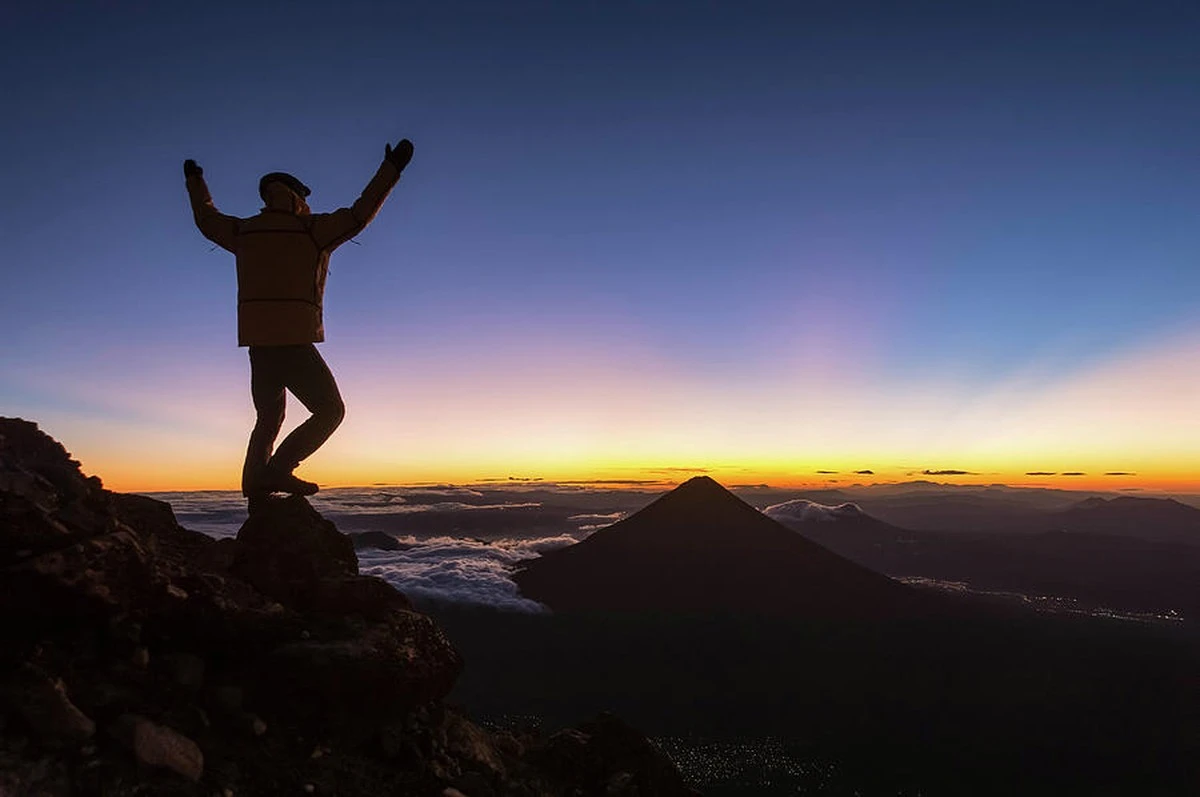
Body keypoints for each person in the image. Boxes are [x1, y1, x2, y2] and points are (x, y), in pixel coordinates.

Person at [183, 139, 414, 505]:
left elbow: (206, 219)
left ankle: (256, 488)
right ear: (295, 197)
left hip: (258, 343)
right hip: (294, 339)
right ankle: (279, 469)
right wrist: (391, 170)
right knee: (330, 410)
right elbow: (359, 214)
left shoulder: (245, 232)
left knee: (269, 417)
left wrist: (196, 183)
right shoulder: (312, 231)